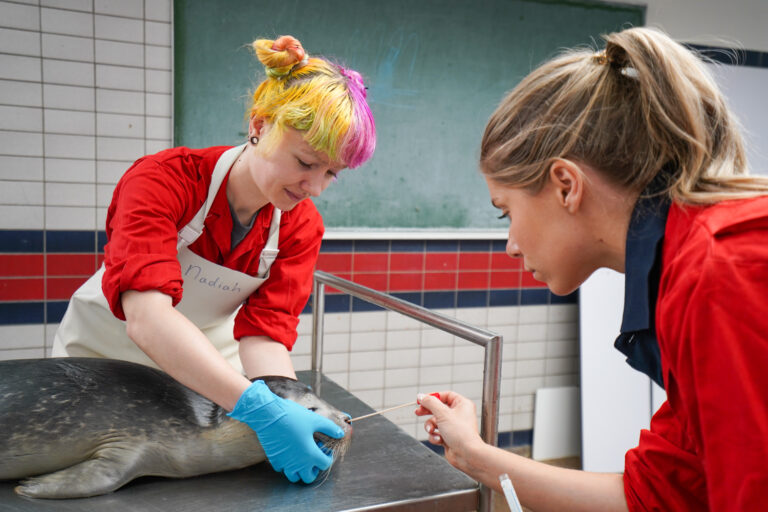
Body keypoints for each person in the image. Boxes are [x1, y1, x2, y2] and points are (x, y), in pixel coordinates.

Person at [416, 26, 768, 511]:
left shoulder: (719, 268)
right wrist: (475, 456)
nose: (511, 245)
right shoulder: (682, 272)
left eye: (507, 212)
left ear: (566, 185)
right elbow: (658, 492)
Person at [53, 35, 376, 484]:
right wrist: (257, 409)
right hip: (100, 367)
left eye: (331, 174)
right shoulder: (163, 181)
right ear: (260, 124)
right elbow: (146, 318)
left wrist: (288, 404)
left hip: (204, 382)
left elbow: (264, 338)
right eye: (306, 162)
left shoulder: (300, 227)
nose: (315, 188)